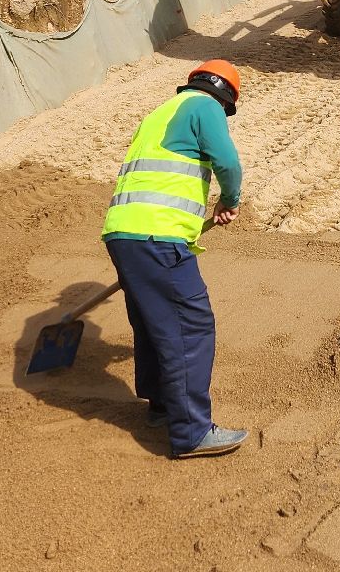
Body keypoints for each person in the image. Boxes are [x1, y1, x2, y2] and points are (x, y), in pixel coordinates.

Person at [101, 60, 249, 459]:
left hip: (124, 232)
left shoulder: (159, 114)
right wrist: (229, 199)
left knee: (154, 322)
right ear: (226, 98)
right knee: (190, 326)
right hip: (158, 235)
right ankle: (193, 433)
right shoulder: (206, 108)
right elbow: (228, 163)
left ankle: (162, 406)